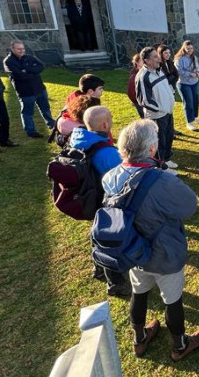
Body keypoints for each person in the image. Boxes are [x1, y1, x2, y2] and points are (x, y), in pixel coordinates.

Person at [102, 119, 199, 359]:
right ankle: (180, 345)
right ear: (150, 150)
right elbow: (190, 206)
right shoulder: (162, 180)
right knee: (173, 299)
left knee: (139, 293)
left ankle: (139, 339)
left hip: (132, 249)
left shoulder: (110, 177)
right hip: (163, 251)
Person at [69, 106, 128, 297]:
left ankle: (98, 267)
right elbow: (123, 178)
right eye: (110, 118)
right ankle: (116, 282)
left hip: (85, 195)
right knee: (110, 239)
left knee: (97, 233)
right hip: (102, 199)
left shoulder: (79, 138)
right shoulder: (106, 152)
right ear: (105, 124)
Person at [136, 47, 177, 170]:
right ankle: (161, 166)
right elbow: (144, 100)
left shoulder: (159, 71)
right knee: (159, 142)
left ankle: (166, 160)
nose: (158, 59)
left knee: (169, 137)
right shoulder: (143, 76)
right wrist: (160, 109)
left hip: (167, 112)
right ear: (147, 61)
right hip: (157, 116)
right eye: (154, 57)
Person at [3, 41, 55, 138]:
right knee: (27, 112)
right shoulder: (8, 61)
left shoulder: (29, 57)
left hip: (39, 89)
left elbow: (41, 66)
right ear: (12, 49)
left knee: (45, 108)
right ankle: (30, 131)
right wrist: (32, 71)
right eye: (19, 49)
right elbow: (19, 76)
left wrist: (27, 70)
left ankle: (51, 124)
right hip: (25, 92)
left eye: (23, 49)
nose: (22, 51)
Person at [174, 41, 199, 131]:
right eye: (188, 48)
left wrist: (197, 73)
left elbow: (197, 67)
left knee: (195, 100)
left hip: (195, 82)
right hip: (184, 84)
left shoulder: (194, 57)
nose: (190, 50)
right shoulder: (179, 59)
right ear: (184, 48)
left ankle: (195, 116)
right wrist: (190, 74)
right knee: (188, 102)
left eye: (191, 48)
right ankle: (189, 122)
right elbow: (179, 71)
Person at [127, 53, 144, 118]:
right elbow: (130, 91)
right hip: (140, 102)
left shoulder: (145, 72)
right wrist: (136, 101)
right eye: (142, 60)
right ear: (137, 62)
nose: (144, 62)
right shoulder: (134, 76)